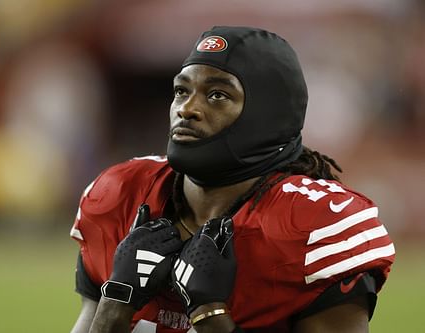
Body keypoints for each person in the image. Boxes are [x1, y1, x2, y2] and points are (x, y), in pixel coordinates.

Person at [69, 26, 395, 333]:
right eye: (182, 90)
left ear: (268, 114)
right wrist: (116, 304)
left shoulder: (315, 226)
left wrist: (212, 316)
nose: (187, 108)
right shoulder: (121, 193)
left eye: (217, 95)